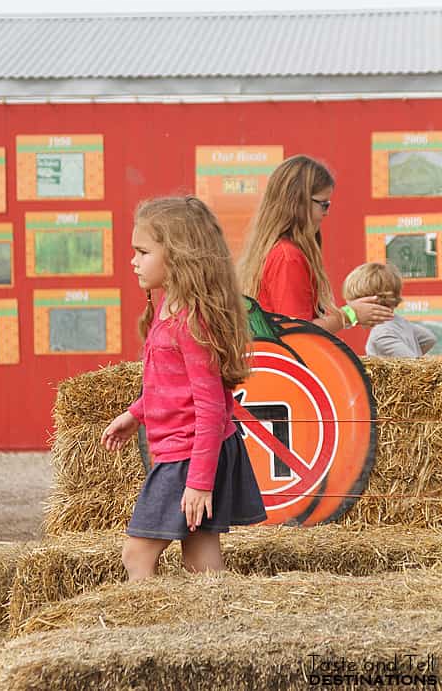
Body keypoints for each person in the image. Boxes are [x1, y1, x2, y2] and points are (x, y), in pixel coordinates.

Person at [101, 196, 266, 581]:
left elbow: (211, 409)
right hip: (194, 454)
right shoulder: (170, 307)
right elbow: (170, 387)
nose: (134, 261)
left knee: (136, 555)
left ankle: (146, 631)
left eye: (143, 252)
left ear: (178, 257)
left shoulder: (191, 322)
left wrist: (198, 483)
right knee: (201, 562)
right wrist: (135, 414)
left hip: (189, 458)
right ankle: (214, 630)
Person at [237, 154, 393, 333]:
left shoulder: (275, 251)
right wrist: (350, 314)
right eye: (324, 204)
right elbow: (299, 333)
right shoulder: (288, 257)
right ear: (297, 203)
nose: (326, 213)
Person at [343, 262, 437, 357]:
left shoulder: (380, 335)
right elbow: (429, 338)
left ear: (371, 302)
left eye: (356, 308)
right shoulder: (399, 321)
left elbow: (411, 363)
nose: (353, 314)